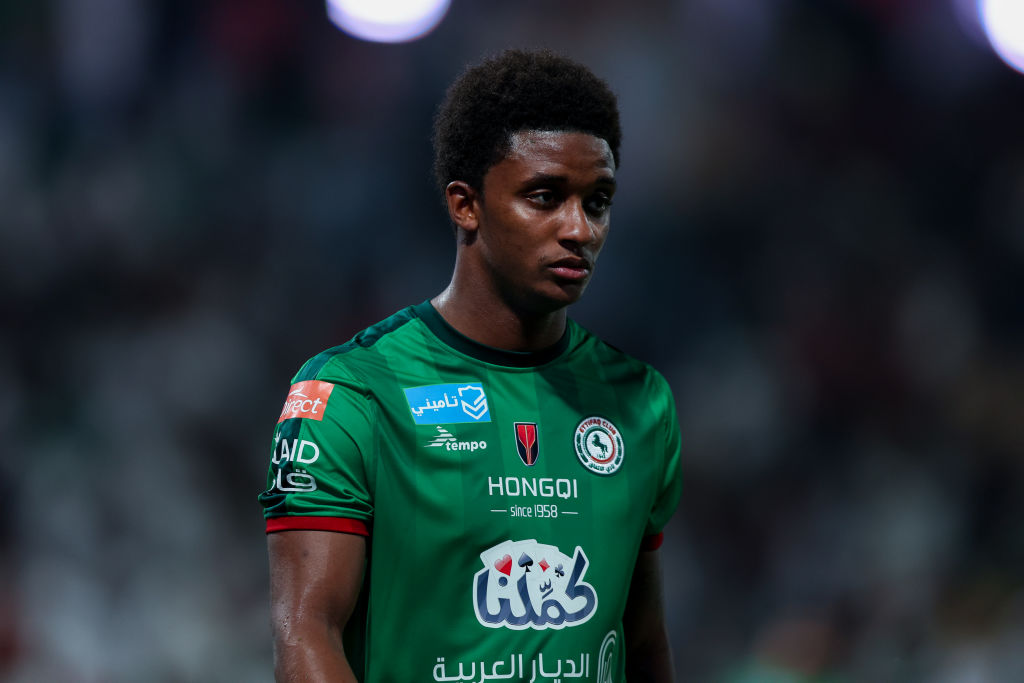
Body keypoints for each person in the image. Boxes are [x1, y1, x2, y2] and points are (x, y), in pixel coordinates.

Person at [260, 49, 683, 683]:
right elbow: (306, 633)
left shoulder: (640, 402)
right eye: (544, 197)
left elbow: (642, 640)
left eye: (598, 201)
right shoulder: (350, 394)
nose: (580, 229)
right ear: (466, 204)